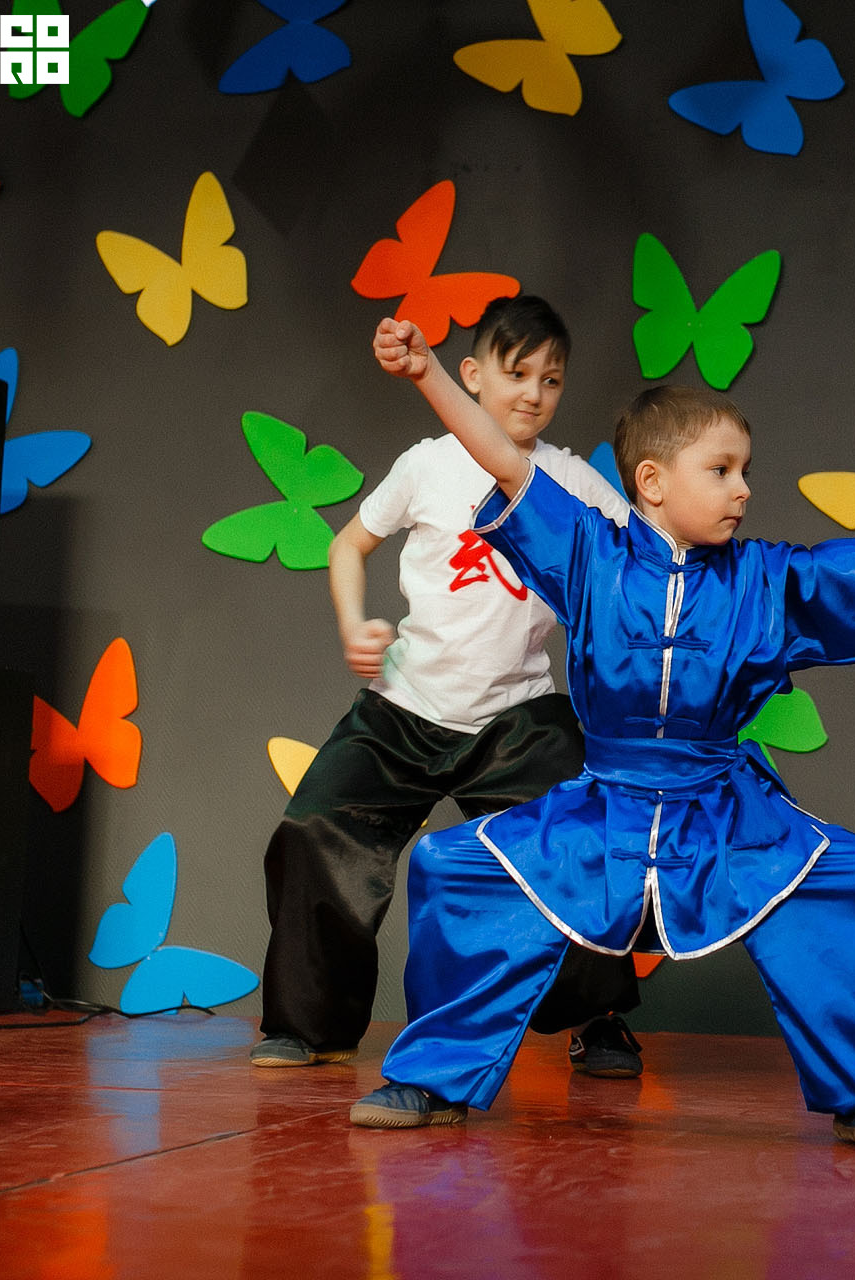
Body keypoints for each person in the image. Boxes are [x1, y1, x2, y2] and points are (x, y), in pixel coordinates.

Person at [348, 315, 855, 1151]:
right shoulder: (587, 551)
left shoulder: (765, 578)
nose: (743, 490)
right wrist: (428, 373)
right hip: (602, 808)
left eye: (745, 472)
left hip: (723, 812)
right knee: (453, 867)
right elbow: (504, 461)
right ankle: (431, 1081)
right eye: (721, 470)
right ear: (652, 482)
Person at [252, 296, 644, 1079]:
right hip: (404, 708)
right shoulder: (426, 464)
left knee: (585, 832)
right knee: (314, 827)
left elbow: (640, 560)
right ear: (471, 374)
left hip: (517, 717)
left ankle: (598, 1019)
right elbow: (347, 545)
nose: (533, 393)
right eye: (517, 372)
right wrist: (353, 625)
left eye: (552, 380)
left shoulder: (573, 480)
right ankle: (310, 1025)